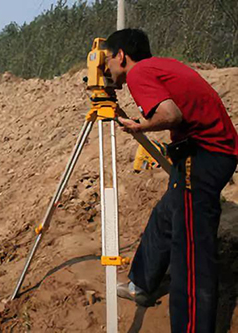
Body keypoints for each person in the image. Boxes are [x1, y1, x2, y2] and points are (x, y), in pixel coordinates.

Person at [104, 28, 238, 332]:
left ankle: (191, 326)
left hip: (205, 156)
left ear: (121, 56)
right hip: (205, 151)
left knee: (190, 249)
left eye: (108, 60)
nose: (106, 68)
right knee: (166, 215)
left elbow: (171, 114)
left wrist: (143, 124)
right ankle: (141, 283)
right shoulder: (160, 66)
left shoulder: (139, 74)